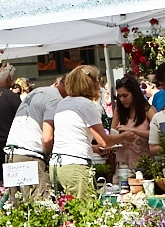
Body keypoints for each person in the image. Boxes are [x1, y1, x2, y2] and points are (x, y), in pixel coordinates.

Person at [51, 65, 124, 197]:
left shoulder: (63, 102)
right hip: (75, 166)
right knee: (86, 213)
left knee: (67, 213)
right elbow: (104, 141)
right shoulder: (86, 105)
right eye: (97, 82)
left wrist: (93, 148)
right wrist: (125, 137)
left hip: (56, 165)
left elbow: (71, 136)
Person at [5, 77, 60, 199]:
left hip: (12, 154)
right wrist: (51, 153)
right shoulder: (56, 98)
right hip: (30, 155)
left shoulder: (38, 92)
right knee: (40, 205)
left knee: (16, 208)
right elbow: (47, 138)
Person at [110, 75, 153, 172]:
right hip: (122, 164)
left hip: (143, 165)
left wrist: (132, 130)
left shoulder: (148, 111)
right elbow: (111, 135)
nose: (122, 99)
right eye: (119, 96)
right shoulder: (119, 111)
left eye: (125, 95)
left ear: (134, 93)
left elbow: (157, 133)